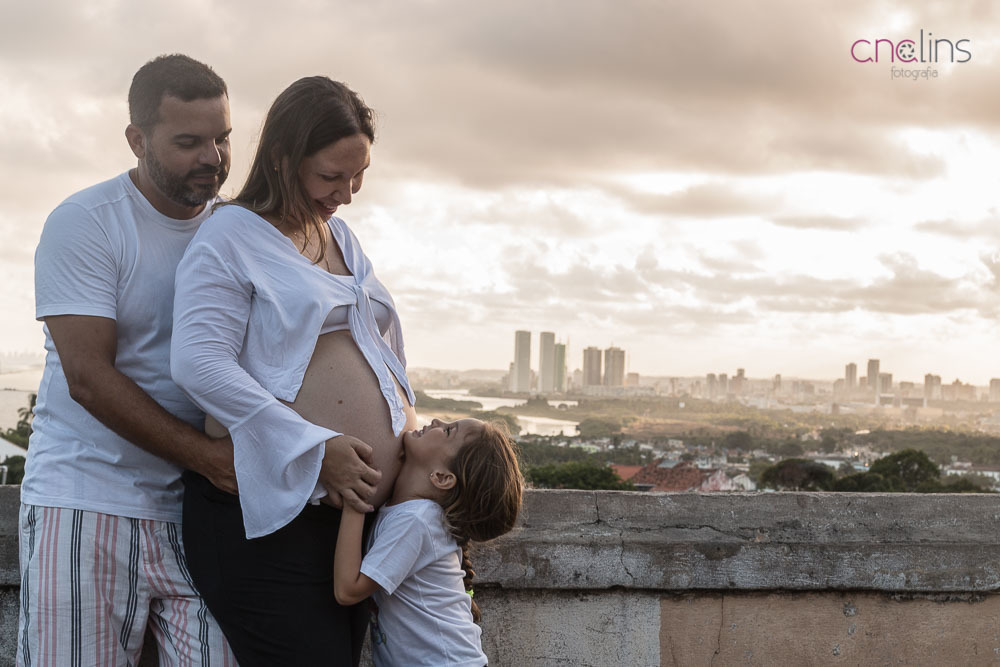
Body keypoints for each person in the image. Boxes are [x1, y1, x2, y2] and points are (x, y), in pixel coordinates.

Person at [170, 76, 417, 666]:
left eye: (357, 178)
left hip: (353, 524)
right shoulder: (229, 236)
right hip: (275, 522)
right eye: (332, 177)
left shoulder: (340, 236)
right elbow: (198, 364)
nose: (347, 193)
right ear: (283, 159)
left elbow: (380, 351)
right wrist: (314, 448)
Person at [18, 54, 237, 666]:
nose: (212, 159)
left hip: (200, 515)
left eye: (222, 139)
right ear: (137, 139)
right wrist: (212, 460)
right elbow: (88, 378)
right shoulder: (86, 222)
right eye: (189, 142)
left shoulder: (238, 230)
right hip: (84, 501)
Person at [334, 418, 523, 667]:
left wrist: (355, 497)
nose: (435, 420)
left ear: (442, 477)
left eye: (447, 430)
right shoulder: (411, 514)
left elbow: (348, 590)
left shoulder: (416, 521)